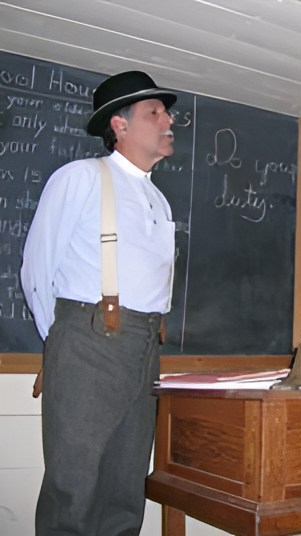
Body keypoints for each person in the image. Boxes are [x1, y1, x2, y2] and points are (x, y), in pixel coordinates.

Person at [21, 71, 177, 536]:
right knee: (74, 486)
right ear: (120, 125)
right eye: (155, 112)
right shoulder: (82, 177)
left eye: (166, 112)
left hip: (146, 345)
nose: (169, 120)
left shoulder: (159, 199)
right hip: (89, 339)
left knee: (125, 490)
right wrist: (66, 343)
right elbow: (36, 269)